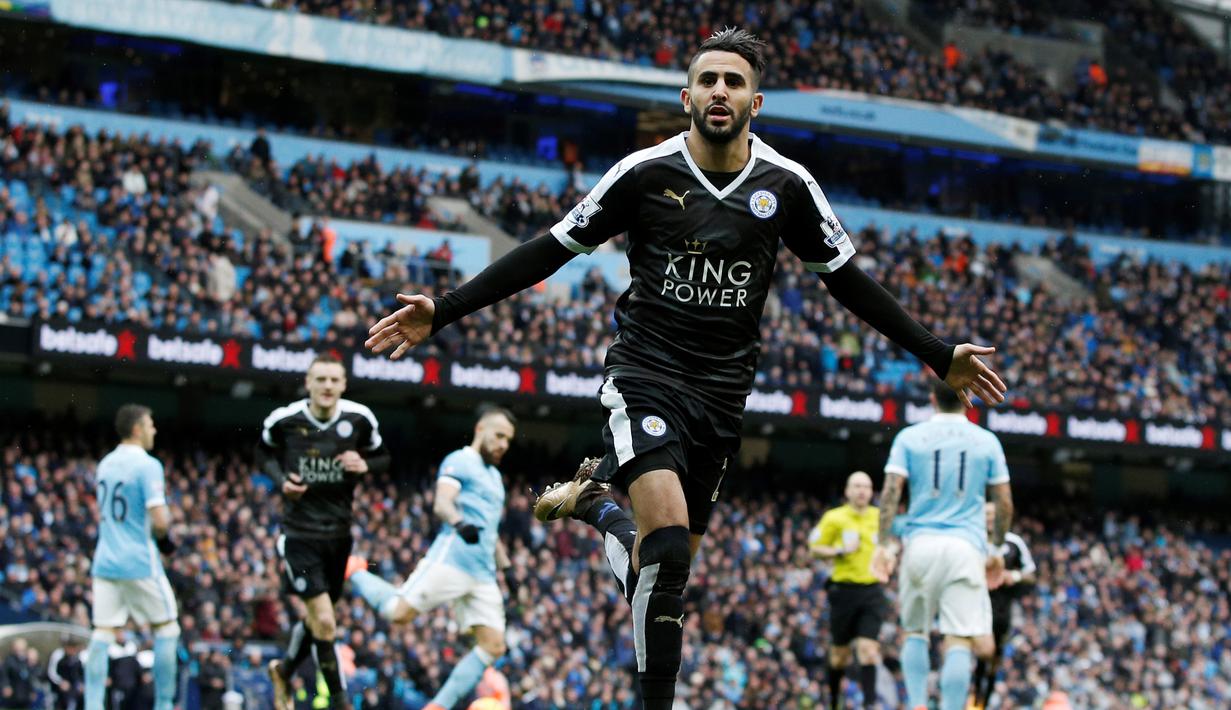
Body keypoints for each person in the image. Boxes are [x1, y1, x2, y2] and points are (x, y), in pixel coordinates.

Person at [364, 28, 1006, 708]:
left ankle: (597, 507)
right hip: (645, 376)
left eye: (733, 82)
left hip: (722, 397)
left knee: (662, 571)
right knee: (667, 550)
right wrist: (446, 308)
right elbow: (551, 248)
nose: (719, 91)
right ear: (686, 96)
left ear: (756, 102)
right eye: (707, 80)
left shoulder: (787, 185)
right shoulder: (644, 173)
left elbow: (847, 280)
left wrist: (937, 352)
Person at [346, 406, 517, 710]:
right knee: (399, 613)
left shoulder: (495, 478)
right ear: (480, 429)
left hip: (483, 574)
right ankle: (356, 571)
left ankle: (438, 706)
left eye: (508, 440)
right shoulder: (460, 460)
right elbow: (442, 503)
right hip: (452, 559)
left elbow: (490, 531)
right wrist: (459, 523)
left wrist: (508, 570)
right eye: (499, 435)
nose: (503, 444)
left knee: (493, 646)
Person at [871, 383, 1015, 710]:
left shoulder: (909, 437)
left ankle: (918, 704)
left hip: (920, 543)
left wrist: (883, 543)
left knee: (915, 632)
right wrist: (996, 551)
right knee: (959, 639)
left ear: (932, 398)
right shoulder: (986, 441)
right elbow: (1004, 502)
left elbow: (891, 491)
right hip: (966, 547)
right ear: (967, 399)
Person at [259, 352, 390, 710]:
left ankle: (284, 670)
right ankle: (341, 703)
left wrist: (365, 465)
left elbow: (384, 458)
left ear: (343, 384)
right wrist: (281, 481)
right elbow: (262, 454)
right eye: (321, 379)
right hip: (299, 535)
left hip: (339, 537)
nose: (327, 386)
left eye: (334, 379)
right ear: (308, 383)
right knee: (326, 623)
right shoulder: (285, 420)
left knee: (318, 619)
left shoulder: (359, 419)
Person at [85, 404, 179, 710]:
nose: (154, 430)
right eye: (150, 425)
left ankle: (92, 705)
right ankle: (164, 704)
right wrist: (165, 540)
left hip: (105, 561)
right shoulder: (148, 465)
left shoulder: (106, 463)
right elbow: (160, 521)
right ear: (137, 429)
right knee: (167, 628)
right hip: (138, 561)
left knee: (102, 633)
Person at [808, 471, 884, 710]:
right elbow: (814, 547)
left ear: (871, 492)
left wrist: (890, 555)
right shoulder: (834, 517)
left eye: (866, 487)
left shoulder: (880, 517)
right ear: (847, 491)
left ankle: (870, 704)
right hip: (843, 592)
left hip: (872, 590)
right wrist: (840, 550)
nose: (862, 491)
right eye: (857, 486)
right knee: (839, 656)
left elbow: (891, 543)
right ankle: (833, 702)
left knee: (868, 650)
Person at [971, 503, 1036, 710]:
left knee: (994, 657)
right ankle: (972, 698)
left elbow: (1031, 575)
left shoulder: (1014, 542)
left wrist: (1013, 576)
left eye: (994, 514)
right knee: (977, 654)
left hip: (1001, 611)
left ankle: (984, 701)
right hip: (974, 608)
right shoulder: (972, 541)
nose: (990, 518)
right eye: (986, 514)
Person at [47, 636, 85, 710]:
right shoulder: (58, 655)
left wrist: (81, 684)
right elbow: (52, 672)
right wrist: (60, 682)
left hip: (73, 690)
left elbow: (80, 674)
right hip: (59, 690)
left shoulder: (77, 659)